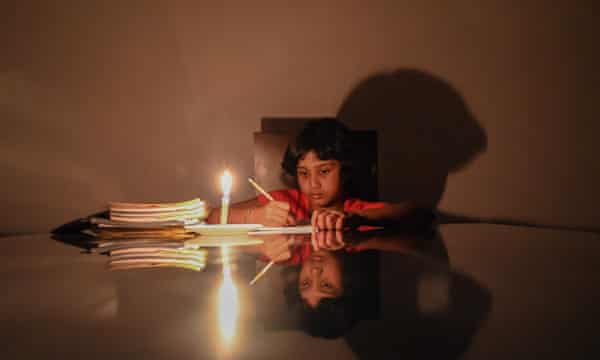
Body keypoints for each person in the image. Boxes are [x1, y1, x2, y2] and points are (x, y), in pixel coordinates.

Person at [206, 118, 418, 233]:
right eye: (304, 173)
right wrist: (254, 217)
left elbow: (414, 212)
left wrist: (353, 220)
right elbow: (211, 216)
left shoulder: (353, 210)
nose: (313, 183)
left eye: (324, 171)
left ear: (345, 170)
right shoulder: (284, 202)